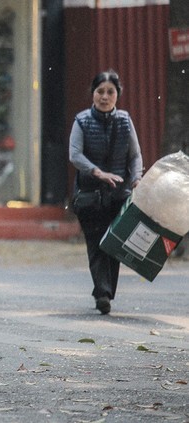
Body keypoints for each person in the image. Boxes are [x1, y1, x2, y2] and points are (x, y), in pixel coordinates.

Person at [69, 70, 143, 315]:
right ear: (93, 93)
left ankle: (105, 290)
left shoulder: (125, 120)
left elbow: (134, 155)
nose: (104, 96)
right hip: (90, 195)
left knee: (114, 243)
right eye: (100, 91)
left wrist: (136, 179)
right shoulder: (81, 121)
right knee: (96, 243)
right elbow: (75, 155)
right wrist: (97, 172)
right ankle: (102, 293)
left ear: (117, 95)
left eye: (110, 92)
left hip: (119, 195)